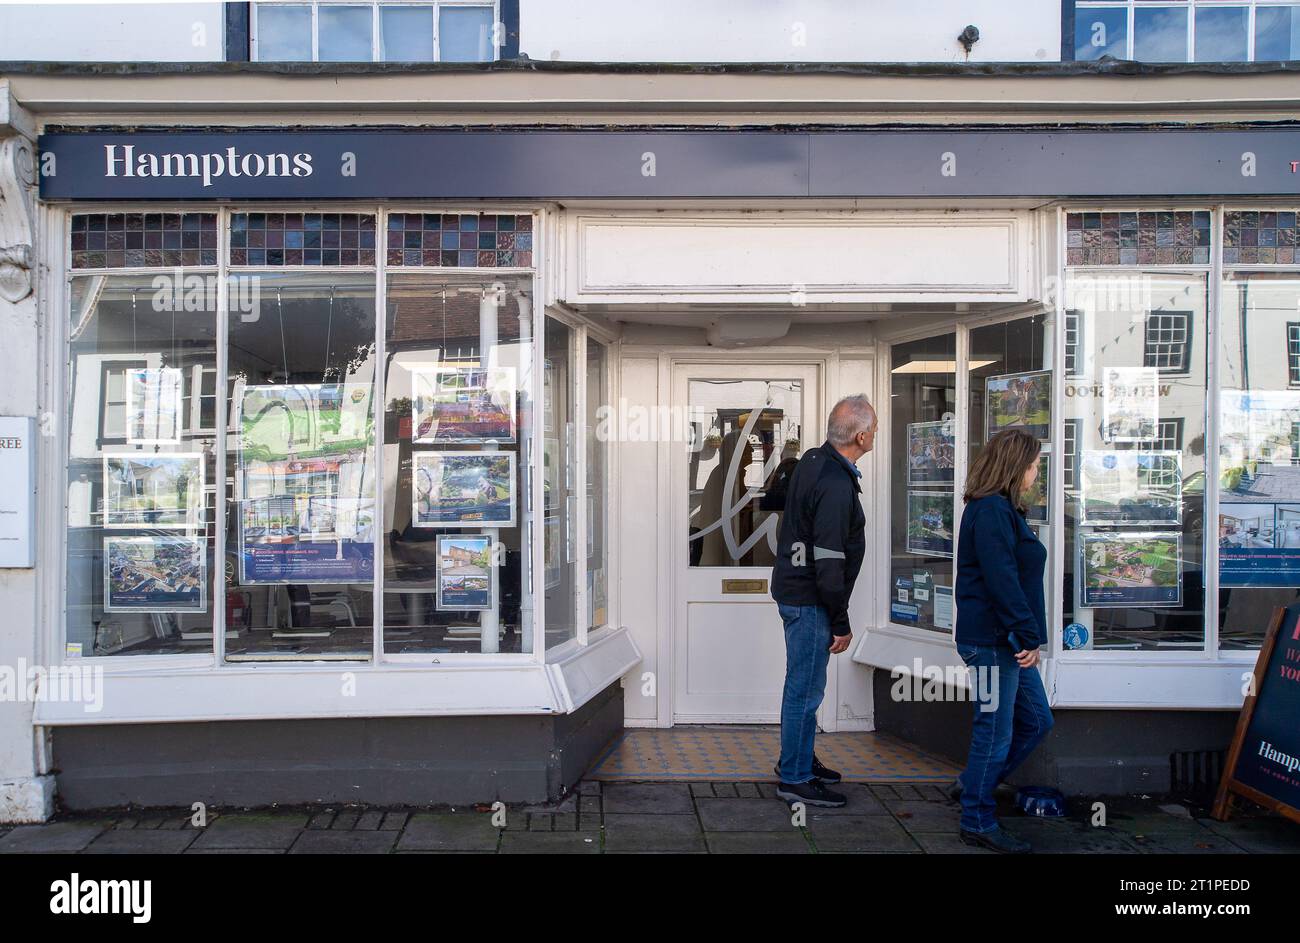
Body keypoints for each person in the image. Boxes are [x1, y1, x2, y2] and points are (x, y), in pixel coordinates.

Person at [950, 427, 1054, 853]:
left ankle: (972, 785)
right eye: (1033, 466)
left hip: (1006, 641)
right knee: (994, 732)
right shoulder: (991, 511)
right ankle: (977, 817)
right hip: (995, 642)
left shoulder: (1002, 510)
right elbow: (1001, 579)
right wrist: (1026, 634)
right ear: (1016, 468)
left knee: (1036, 720)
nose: (1036, 473)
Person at [770, 394, 875, 808]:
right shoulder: (833, 481)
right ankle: (794, 778)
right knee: (806, 690)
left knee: (802, 685)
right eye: (875, 429)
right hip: (811, 598)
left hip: (796, 592)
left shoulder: (814, 460)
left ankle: (797, 760)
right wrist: (840, 620)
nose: (875, 435)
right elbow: (828, 559)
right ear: (862, 435)